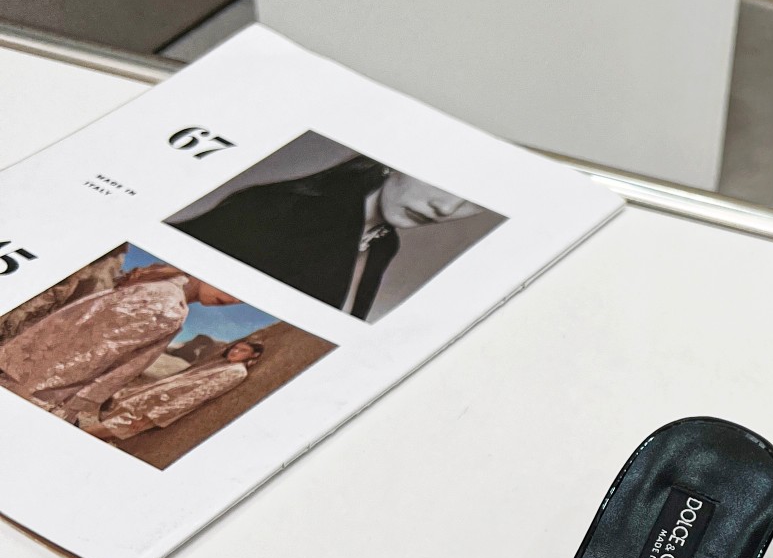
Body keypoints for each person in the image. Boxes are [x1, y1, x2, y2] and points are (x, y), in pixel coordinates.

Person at [176, 156, 482, 320]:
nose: (446, 208)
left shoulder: (383, 243)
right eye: (445, 182)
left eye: (474, 201)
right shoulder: (281, 209)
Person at [0, 261, 241, 421]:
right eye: (232, 288)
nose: (233, 300)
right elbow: (96, 352)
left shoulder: (159, 289)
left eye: (239, 299)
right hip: (39, 390)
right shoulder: (168, 304)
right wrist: (54, 404)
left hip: (24, 373)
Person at [81, 337, 265, 443]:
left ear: (253, 355)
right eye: (235, 348)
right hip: (147, 400)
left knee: (105, 429)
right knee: (103, 431)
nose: (235, 351)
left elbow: (197, 396)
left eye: (242, 350)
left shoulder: (235, 372)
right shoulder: (221, 364)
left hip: (155, 409)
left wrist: (151, 417)